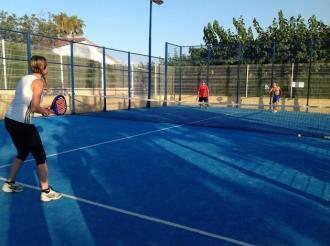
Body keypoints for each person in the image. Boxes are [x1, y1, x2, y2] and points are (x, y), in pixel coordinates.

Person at [2, 55, 62, 202]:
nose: (48, 68)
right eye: (46, 66)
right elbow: (34, 107)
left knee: (22, 152)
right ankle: (46, 191)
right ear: (42, 68)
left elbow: (27, 103)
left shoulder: (24, 78)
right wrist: (46, 111)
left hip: (9, 120)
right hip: (23, 124)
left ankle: (9, 184)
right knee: (41, 157)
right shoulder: (38, 82)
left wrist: (43, 109)